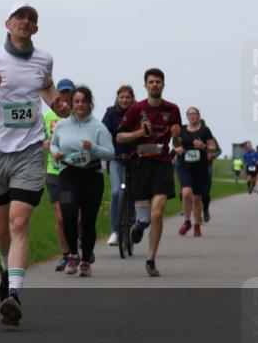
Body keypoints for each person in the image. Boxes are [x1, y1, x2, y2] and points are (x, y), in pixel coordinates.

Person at [0, 3, 67, 326]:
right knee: (2, 226)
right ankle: (6, 270)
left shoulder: (43, 59)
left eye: (31, 19)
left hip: (30, 151)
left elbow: (46, 86)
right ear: (8, 24)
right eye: (20, 17)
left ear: (35, 29)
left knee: (19, 223)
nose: (25, 22)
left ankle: (15, 293)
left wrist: (56, 102)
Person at [116, 68, 183, 277]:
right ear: (145, 86)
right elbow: (119, 137)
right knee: (145, 218)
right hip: (141, 164)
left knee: (157, 212)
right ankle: (139, 225)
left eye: (158, 82)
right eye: (151, 82)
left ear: (163, 85)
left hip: (163, 163)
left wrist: (177, 137)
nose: (155, 85)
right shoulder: (136, 109)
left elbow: (178, 142)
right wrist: (139, 133)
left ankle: (151, 259)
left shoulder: (172, 109)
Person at [51, 86, 115, 276]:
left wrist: (93, 147)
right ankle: (72, 254)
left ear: (89, 104)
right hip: (68, 175)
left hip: (91, 176)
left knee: (88, 221)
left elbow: (111, 154)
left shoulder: (98, 127)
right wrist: (56, 153)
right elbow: (53, 143)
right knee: (68, 216)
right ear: (71, 103)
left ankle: (86, 260)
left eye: (83, 102)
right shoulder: (62, 125)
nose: (80, 105)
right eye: (76, 101)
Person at [43, 78, 75, 270]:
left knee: (77, 217)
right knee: (61, 217)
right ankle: (66, 254)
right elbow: (39, 137)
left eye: (68, 92)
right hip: (54, 171)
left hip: (74, 171)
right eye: (62, 92)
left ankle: (80, 246)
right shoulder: (47, 117)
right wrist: (45, 144)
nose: (65, 96)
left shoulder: (79, 115)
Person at [102, 84, 136, 247]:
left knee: (133, 193)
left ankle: (132, 222)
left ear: (132, 98)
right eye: (121, 97)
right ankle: (115, 231)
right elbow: (103, 131)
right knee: (116, 192)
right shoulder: (110, 113)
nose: (124, 100)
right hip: (115, 158)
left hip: (134, 158)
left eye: (127, 97)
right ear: (117, 98)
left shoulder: (138, 112)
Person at [175, 107, 217, 237]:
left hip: (200, 168)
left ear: (199, 116)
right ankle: (187, 221)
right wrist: (177, 148)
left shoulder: (205, 130)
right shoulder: (181, 129)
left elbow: (213, 148)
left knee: (197, 198)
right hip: (184, 166)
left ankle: (197, 224)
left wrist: (203, 146)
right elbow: (175, 143)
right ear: (187, 116)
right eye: (190, 114)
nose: (192, 116)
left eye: (195, 114)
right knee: (186, 193)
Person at [199, 119, 221, 223]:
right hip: (190, 167)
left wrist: (213, 155)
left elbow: (219, 150)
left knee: (205, 193)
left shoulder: (211, 138)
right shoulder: (190, 137)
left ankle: (206, 210)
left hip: (207, 166)